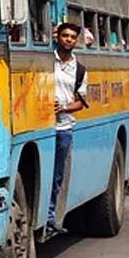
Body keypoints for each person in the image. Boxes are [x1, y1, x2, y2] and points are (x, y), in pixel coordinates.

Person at [48, 22, 89, 235]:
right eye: (65, 36)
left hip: (64, 126)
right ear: (58, 37)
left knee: (57, 174)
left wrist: (63, 107)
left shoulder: (79, 69)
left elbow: (81, 103)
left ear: (76, 41)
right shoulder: (46, 61)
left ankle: (50, 215)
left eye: (72, 37)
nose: (68, 40)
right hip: (42, 126)